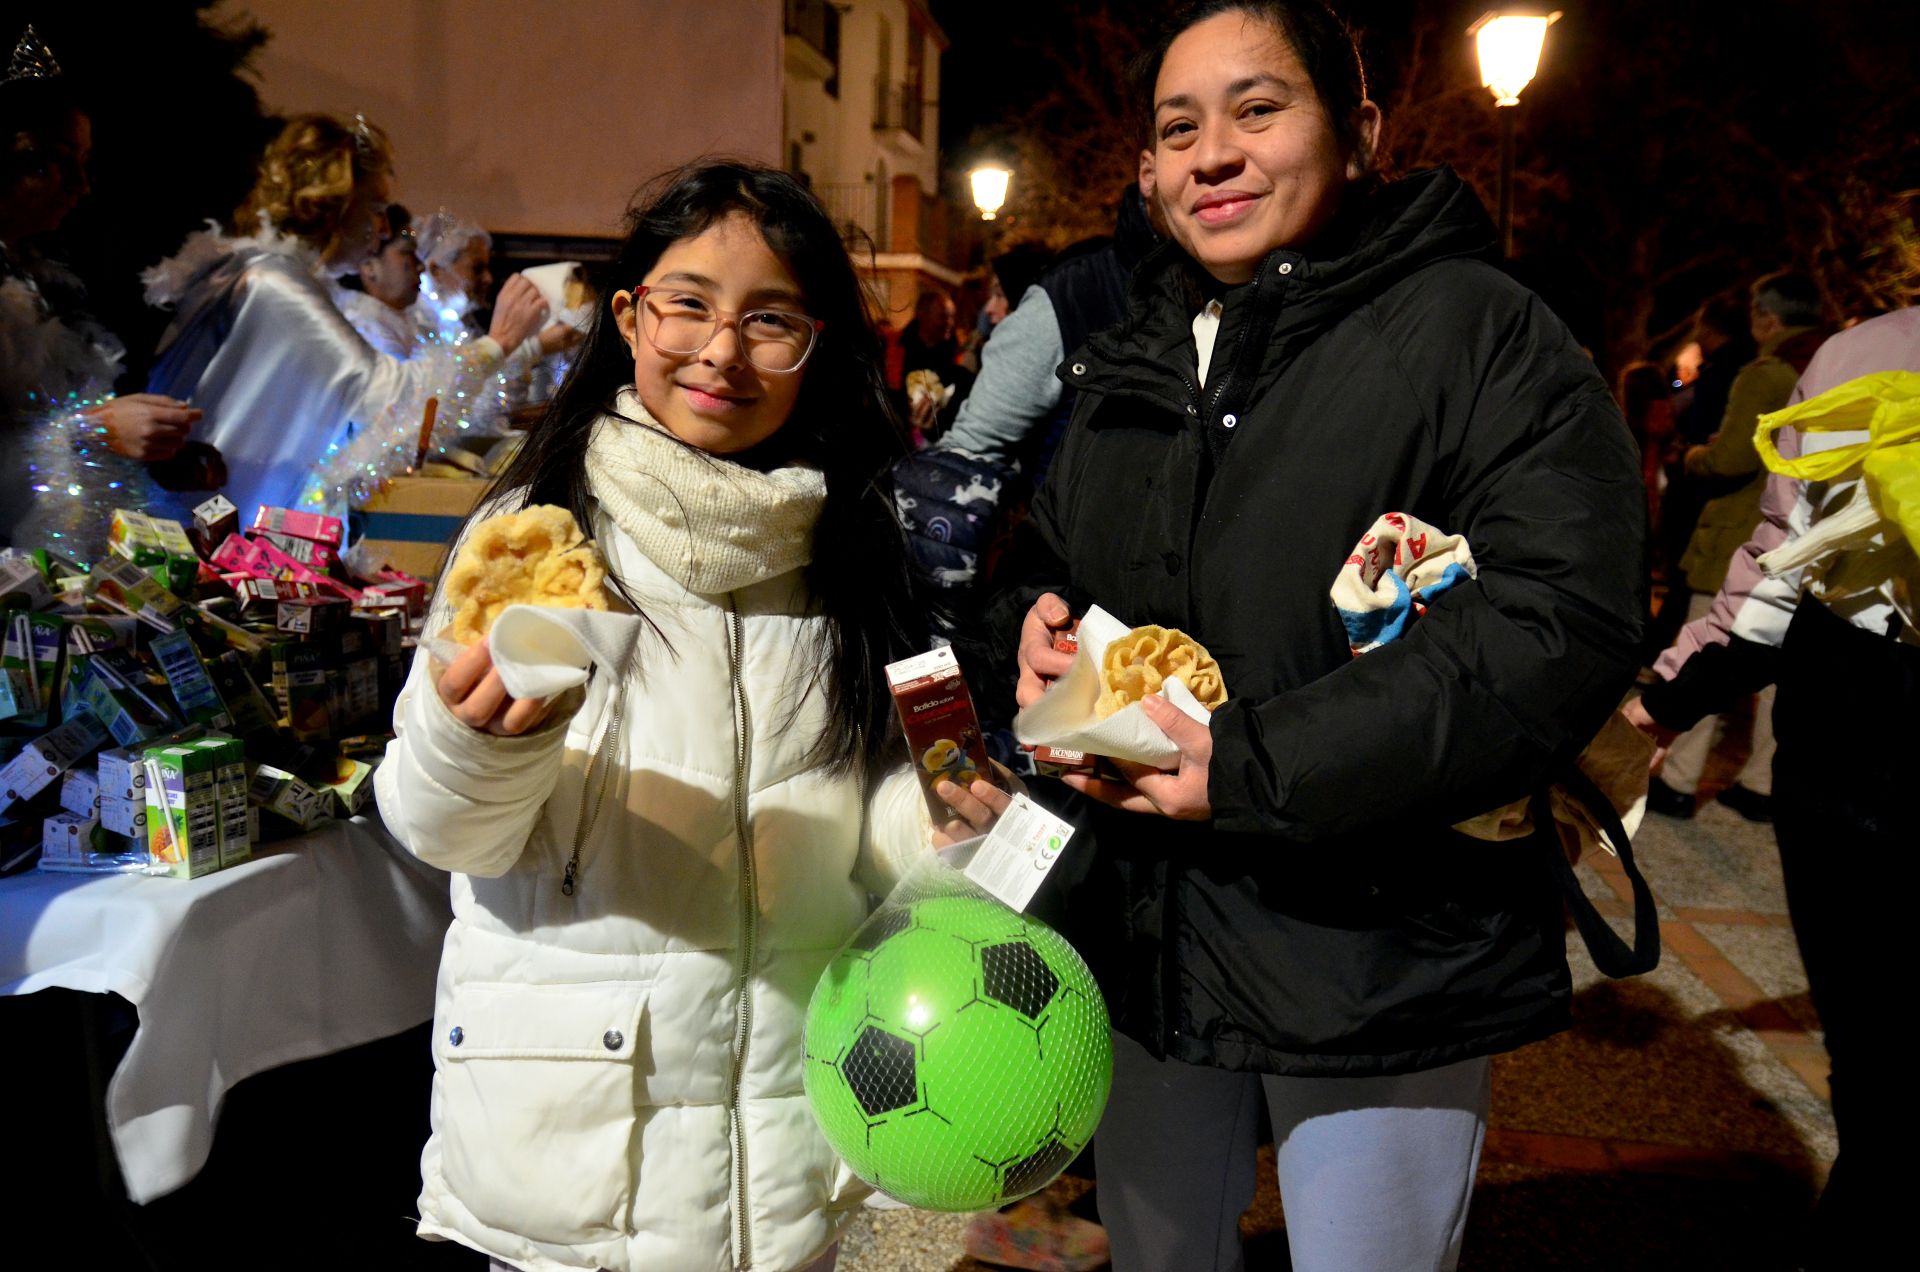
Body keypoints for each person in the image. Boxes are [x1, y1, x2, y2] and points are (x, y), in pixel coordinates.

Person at [982, 4, 1644, 1270]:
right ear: (1147, 173)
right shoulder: (1130, 353)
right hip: (1148, 936)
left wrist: (1252, 763)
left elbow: (1563, 615)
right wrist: (1030, 629)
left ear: (1363, 134)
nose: (1212, 154)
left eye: (1258, 109)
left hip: (1375, 950)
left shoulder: (1478, 330)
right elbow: (1043, 565)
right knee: (1161, 1257)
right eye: (1179, 129)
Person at [373, 160, 1015, 1272]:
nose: (721, 351)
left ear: (815, 345)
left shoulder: (859, 555)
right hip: (576, 1169)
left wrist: (953, 830)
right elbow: (440, 832)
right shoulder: (534, 542)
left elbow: (881, 829)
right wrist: (474, 741)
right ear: (629, 317)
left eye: (769, 318)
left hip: (800, 1149)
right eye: (688, 304)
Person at [1626, 300, 1919, 1270]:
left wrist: (1667, 700)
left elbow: (1774, 580)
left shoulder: (1870, 353)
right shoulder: (1864, 353)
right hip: (1848, 741)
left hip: (1849, 732)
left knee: (1873, 1052)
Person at [139, 113, 559, 520]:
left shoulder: (264, 271)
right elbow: (390, 403)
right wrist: (499, 343)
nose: (380, 227)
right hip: (208, 531)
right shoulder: (276, 286)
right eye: (375, 206)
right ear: (332, 205)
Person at [1, 25, 202, 556]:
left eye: (85, 165)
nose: (81, 187)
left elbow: (36, 420)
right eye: (59, 161)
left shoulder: (42, 279)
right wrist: (91, 432)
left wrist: (148, 453)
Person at [1645, 271, 1829, 822]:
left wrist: (1697, 454)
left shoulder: (1767, 374)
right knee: (1780, 669)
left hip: (1744, 534)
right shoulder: (1830, 365)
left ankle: (1675, 778)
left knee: (1705, 647)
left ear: (1767, 317)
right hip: (1808, 541)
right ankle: (1762, 785)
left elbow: (1731, 459)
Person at [1645, 293, 1755, 655]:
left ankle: (1665, 659)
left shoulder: (1733, 375)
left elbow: (1721, 445)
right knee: (1685, 582)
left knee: (1690, 581)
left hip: (1703, 493)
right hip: (1706, 492)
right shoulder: (1737, 369)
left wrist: (1690, 453)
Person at [333, 201, 420, 359]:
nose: (421, 266)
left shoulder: (404, 319)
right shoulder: (364, 327)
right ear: (369, 266)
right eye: (407, 252)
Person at [414, 206, 494, 344]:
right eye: (477, 269)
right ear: (436, 271)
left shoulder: (462, 323)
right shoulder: (419, 326)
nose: (488, 279)